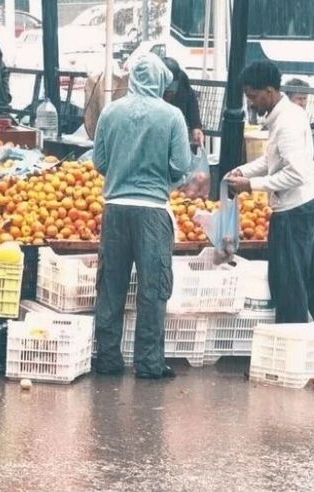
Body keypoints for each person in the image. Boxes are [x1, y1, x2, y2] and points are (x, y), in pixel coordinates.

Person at [92, 53, 195, 379]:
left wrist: (122, 172)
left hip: (116, 208)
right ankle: (149, 363)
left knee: (111, 286)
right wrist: (164, 178)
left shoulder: (111, 111)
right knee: (153, 289)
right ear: (163, 81)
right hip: (153, 211)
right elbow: (181, 166)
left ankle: (108, 359)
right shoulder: (172, 116)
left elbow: (99, 162)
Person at [227, 61, 314, 325]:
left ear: (269, 91)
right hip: (309, 205)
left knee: (289, 285)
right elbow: (271, 160)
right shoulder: (285, 115)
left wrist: (251, 186)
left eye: (253, 97)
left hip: (296, 211)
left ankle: (294, 348)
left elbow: (296, 173)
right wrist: (242, 171)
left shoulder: (287, 122)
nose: (251, 103)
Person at [162, 56, 205, 146]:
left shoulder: (182, 78)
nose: (171, 93)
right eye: (168, 90)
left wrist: (196, 126)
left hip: (178, 130)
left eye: (173, 88)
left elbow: (191, 101)